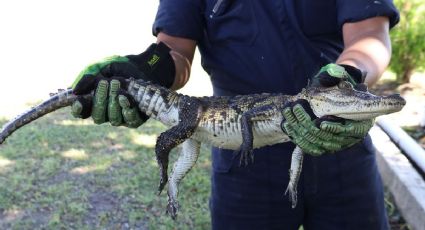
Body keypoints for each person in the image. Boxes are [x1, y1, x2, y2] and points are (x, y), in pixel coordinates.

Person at [71, 1, 399, 229]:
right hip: (244, 157)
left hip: (341, 145)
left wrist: (348, 76)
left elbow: (369, 35)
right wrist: (147, 69)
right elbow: (175, 51)